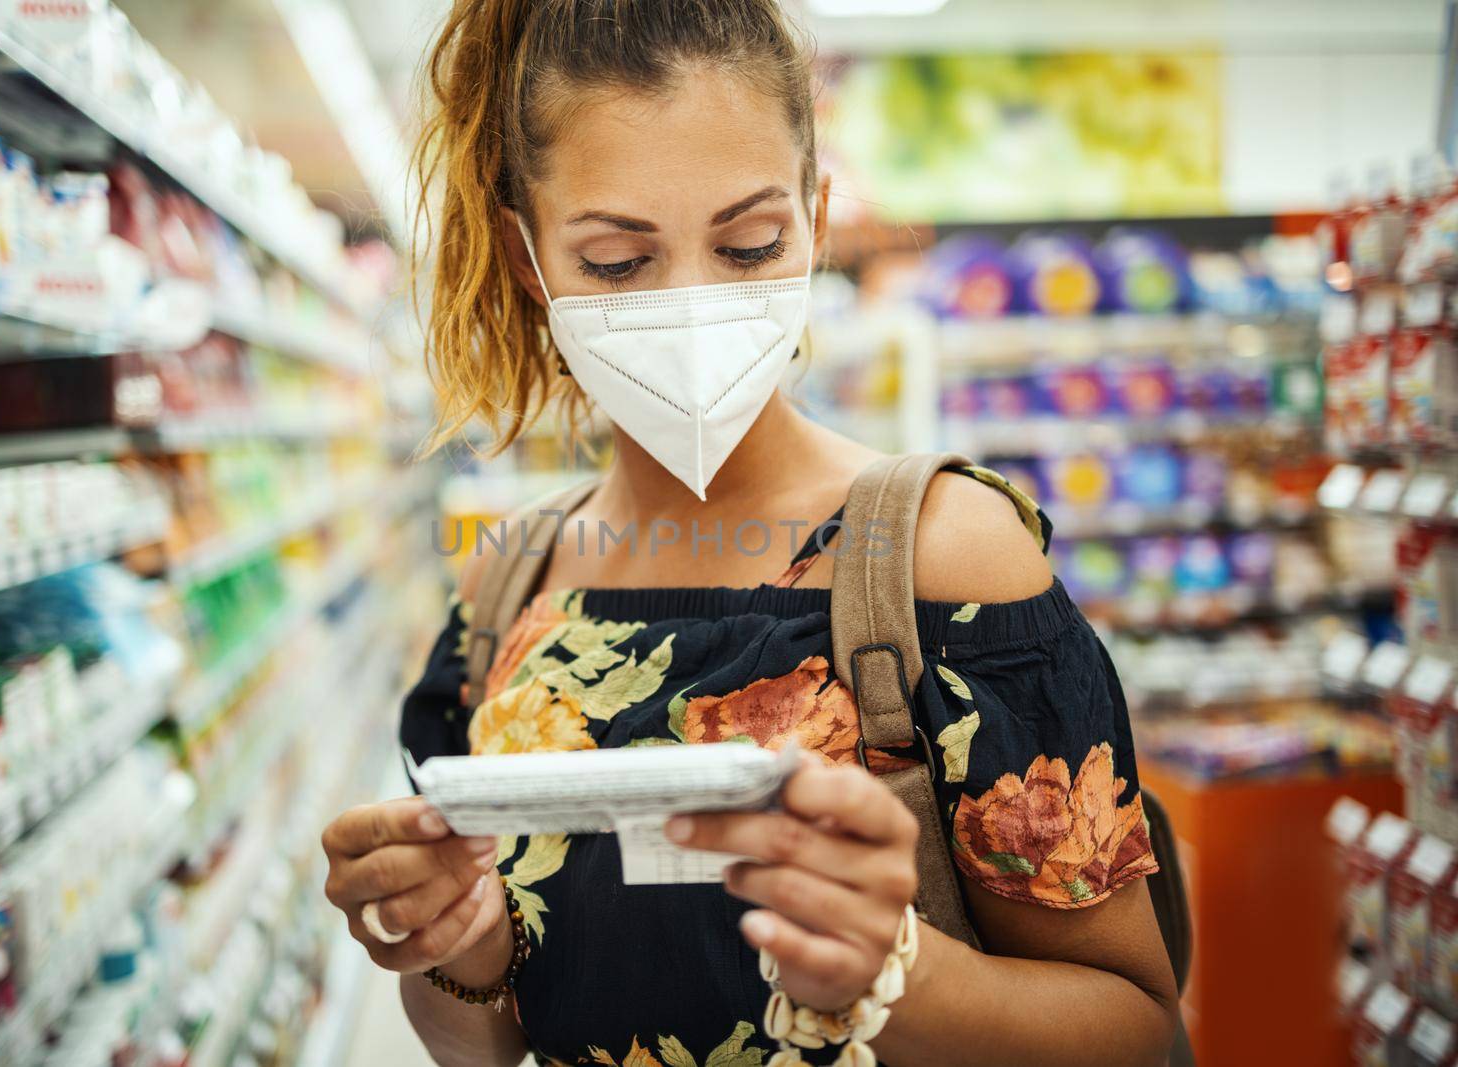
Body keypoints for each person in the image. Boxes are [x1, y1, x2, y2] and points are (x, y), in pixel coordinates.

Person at [321, 2, 1179, 1064]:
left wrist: (893, 971)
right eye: (617, 263)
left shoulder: (944, 558)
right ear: (528, 253)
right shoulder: (510, 584)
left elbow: (1141, 1035)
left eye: (749, 243)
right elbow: (481, 1041)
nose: (692, 305)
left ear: (812, 219)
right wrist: (460, 943)